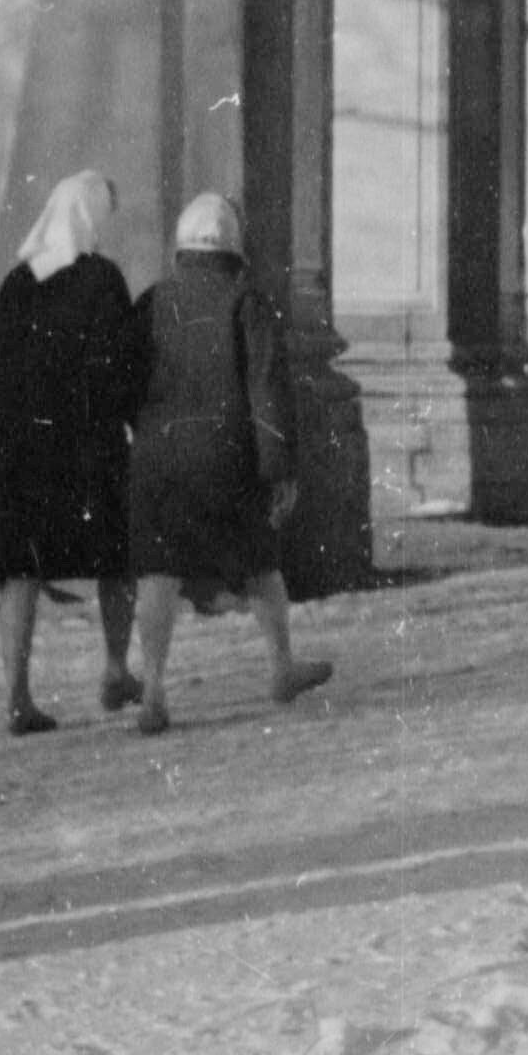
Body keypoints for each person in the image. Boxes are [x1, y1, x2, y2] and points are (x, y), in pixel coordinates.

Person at [126, 190, 333, 733]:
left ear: (181, 247)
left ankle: (153, 688)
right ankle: (282, 667)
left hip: (160, 457)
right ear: (234, 250)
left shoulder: (151, 301)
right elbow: (267, 390)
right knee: (260, 563)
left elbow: (125, 380)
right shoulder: (247, 302)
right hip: (229, 457)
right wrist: (279, 468)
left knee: (158, 571)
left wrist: (143, 433)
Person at [0, 170, 140, 736]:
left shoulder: (16, 283)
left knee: (20, 569)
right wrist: (127, 426)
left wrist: (2, 445)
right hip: (90, 452)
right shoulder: (102, 279)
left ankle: (17, 695)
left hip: (24, 454)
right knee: (117, 559)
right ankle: (116, 668)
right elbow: (122, 366)